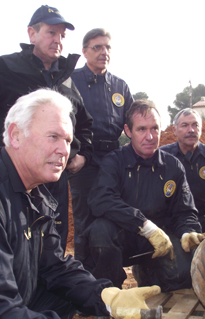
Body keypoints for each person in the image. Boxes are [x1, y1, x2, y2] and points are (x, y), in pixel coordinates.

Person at [0, 89, 160, 319]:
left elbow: (55, 266)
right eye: (53, 137)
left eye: (68, 141)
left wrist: (106, 296)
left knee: (69, 295)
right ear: (16, 135)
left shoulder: (36, 194)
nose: (64, 150)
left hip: (2, 302)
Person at [0, 5, 92, 251]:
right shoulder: (4, 69)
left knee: (52, 246)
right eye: (50, 32)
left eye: (62, 35)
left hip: (54, 181)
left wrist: (82, 154)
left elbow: (85, 122)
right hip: (13, 176)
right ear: (32, 34)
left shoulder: (65, 80)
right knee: (15, 242)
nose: (57, 40)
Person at [82, 100, 205, 292]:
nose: (150, 136)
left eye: (155, 128)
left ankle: (150, 274)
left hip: (160, 239)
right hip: (123, 236)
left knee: (183, 273)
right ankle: (107, 295)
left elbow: (184, 210)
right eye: (141, 129)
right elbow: (101, 200)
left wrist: (187, 231)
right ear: (128, 131)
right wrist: (144, 225)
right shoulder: (114, 161)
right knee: (100, 232)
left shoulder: (173, 166)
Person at [69, 28, 134, 262]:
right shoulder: (70, 80)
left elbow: (133, 121)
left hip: (114, 160)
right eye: (97, 47)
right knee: (84, 219)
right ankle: (83, 279)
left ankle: (110, 277)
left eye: (107, 47)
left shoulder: (120, 86)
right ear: (84, 51)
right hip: (83, 159)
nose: (103, 52)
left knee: (113, 215)